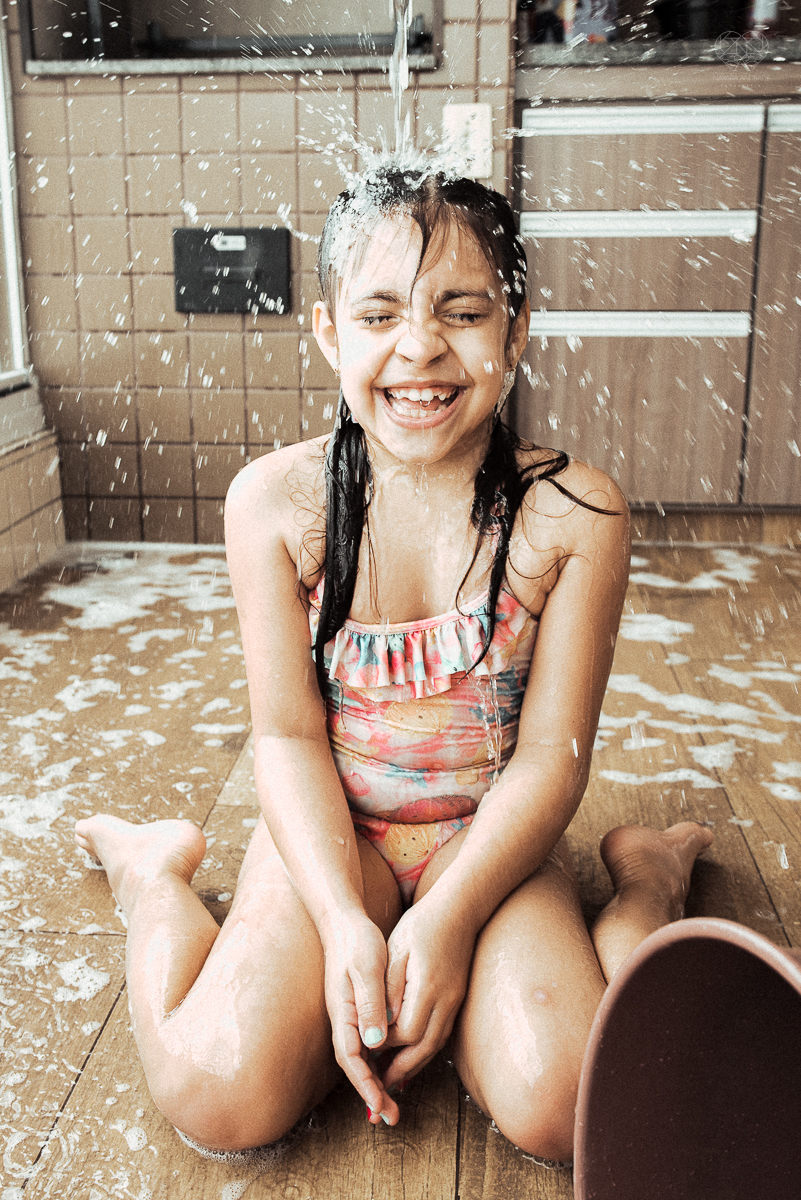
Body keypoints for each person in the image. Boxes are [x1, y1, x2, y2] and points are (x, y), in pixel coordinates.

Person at [75, 166, 712, 1164]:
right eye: (380, 313)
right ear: (328, 330)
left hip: (487, 843)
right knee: (216, 1094)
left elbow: (552, 755)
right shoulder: (274, 505)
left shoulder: (574, 512)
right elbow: (286, 736)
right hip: (331, 837)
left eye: (463, 311)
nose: (419, 346)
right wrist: (336, 918)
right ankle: (150, 870)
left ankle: (649, 879)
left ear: (517, 328)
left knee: (575, 1108)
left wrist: (453, 918)